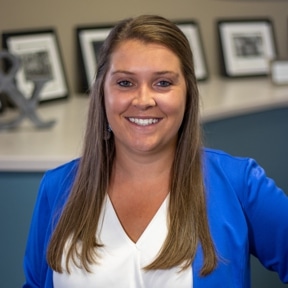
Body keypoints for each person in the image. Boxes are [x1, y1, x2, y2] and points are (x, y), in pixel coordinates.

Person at [23, 15, 288, 288]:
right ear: (102, 91)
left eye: (163, 83)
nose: (143, 100)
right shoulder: (57, 188)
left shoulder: (239, 184)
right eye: (125, 83)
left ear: (187, 93)